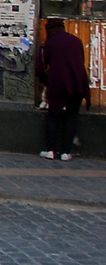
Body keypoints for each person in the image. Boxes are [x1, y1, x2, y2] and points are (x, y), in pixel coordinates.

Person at [37, 17, 90, 160]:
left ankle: (51, 150)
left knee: (53, 115)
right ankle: (66, 152)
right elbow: (81, 62)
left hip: (58, 84)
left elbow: (40, 68)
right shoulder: (76, 41)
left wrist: (46, 81)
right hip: (78, 84)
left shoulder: (49, 44)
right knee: (72, 117)